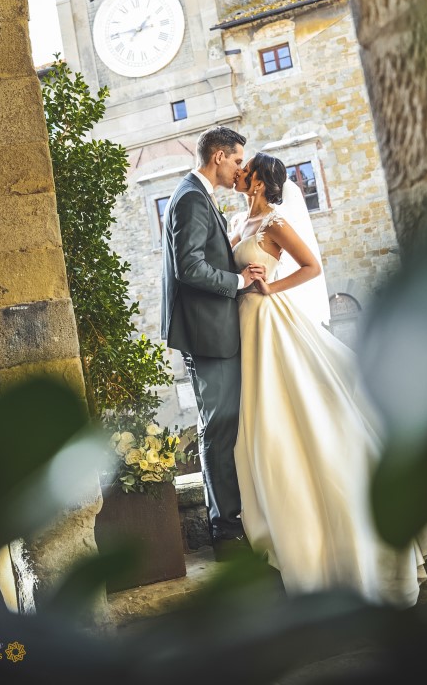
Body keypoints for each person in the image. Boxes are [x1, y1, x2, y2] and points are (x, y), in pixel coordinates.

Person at [230, 152, 427, 605]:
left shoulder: (274, 222)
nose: (238, 172)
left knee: (301, 409)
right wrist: (241, 275)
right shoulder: (237, 220)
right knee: (262, 420)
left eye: (245, 167)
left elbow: (311, 266)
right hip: (246, 323)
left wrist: (270, 287)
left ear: (258, 181)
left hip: (272, 319)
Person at [160, 126, 266, 560]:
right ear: (219, 156)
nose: (241, 168)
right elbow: (189, 267)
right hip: (207, 333)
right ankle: (225, 530)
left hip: (214, 329)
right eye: (238, 160)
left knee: (224, 427)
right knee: (218, 429)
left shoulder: (196, 195)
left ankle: (231, 520)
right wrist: (239, 279)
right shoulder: (190, 197)